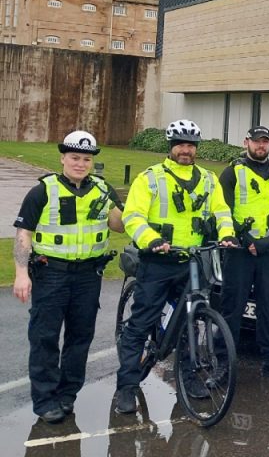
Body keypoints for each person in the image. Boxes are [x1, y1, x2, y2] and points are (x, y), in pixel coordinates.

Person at [114, 120, 237, 415]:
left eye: (191, 145)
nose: (186, 150)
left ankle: (189, 377)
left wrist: (226, 233)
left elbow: (221, 211)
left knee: (190, 322)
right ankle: (127, 387)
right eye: (181, 144)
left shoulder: (209, 179)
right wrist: (151, 239)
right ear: (171, 147)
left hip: (192, 261)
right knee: (141, 323)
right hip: (158, 261)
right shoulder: (151, 178)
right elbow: (132, 216)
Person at [13, 130, 124, 423]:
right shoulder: (43, 191)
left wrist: (132, 208)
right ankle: (46, 399)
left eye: (86, 159)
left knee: (80, 338)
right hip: (51, 274)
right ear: (63, 158)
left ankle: (67, 394)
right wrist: (21, 273)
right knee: (45, 337)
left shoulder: (102, 190)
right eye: (75, 157)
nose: (80, 163)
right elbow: (23, 234)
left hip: (89, 275)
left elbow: (119, 226)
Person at [217, 125, 269, 383]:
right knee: (232, 308)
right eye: (256, 141)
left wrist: (268, 242)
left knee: (268, 307)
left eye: (265, 141)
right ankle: (223, 363)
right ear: (246, 142)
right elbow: (224, 210)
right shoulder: (232, 172)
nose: (260, 146)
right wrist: (247, 239)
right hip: (239, 251)